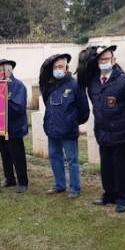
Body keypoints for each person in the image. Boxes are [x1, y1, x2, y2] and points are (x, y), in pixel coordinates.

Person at [80, 45, 125, 213]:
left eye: (107, 59)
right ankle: (109, 194)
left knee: (120, 167)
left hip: (121, 132)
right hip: (102, 131)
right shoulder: (93, 82)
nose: (104, 62)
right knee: (106, 166)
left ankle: (123, 198)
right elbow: (96, 103)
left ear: (114, 60)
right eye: (101, 60)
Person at [39, 53, 89, 198]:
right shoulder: (49, 85)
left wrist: (72, 121)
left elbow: (84, 109)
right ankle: (59, 185)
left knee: (72, 160)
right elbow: (48, 104)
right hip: (52, 129)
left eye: (61, 66)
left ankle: (75, 188)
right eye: (55, 67)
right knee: (55, 157)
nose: (58, 69)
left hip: (68, 131)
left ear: (67, 68)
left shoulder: (75, 84)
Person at [0, 58, 29, 193]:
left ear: (9, 70)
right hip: (0, 126)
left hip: (15, 127)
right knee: (5, 154)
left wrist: (3, 98)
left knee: (17, 155)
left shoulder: (18, 86)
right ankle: (9, 178)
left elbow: (19, 108)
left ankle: (23, 182)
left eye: (1, 70)